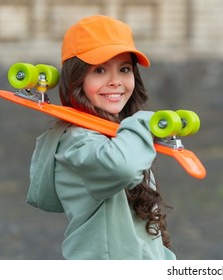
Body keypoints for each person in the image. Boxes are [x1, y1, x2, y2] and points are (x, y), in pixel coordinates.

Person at [26, 15, 175, 260]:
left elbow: (144, 236)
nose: (115, 81)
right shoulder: (75, 144)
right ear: (77, 79)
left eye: (124, 69)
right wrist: (142, 121)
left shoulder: (119, 138)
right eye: (100, 70)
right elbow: (121, 168)